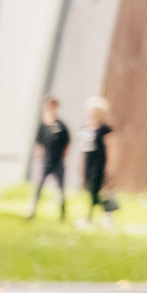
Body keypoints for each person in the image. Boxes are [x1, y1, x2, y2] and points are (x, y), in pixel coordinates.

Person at [29, 96, 71, 221]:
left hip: (58, 161)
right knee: (38, 187)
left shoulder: (61, 126)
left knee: (60, 188)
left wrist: (62, 157)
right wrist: (39, 159)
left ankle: (62, 213)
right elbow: (38, 144)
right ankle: (32, 211)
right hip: (44, 162)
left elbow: (67, 143)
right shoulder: (43, 126)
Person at [77, 97, 114, 228]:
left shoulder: (105, 129)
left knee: (96, 190)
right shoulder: (86, 128)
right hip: (88, 162)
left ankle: (93, 217)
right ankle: (107, 211)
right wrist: (81, 165)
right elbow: (83, 148)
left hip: (100, 163)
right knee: (90, 191)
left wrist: (111, 166)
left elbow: (112, 148)